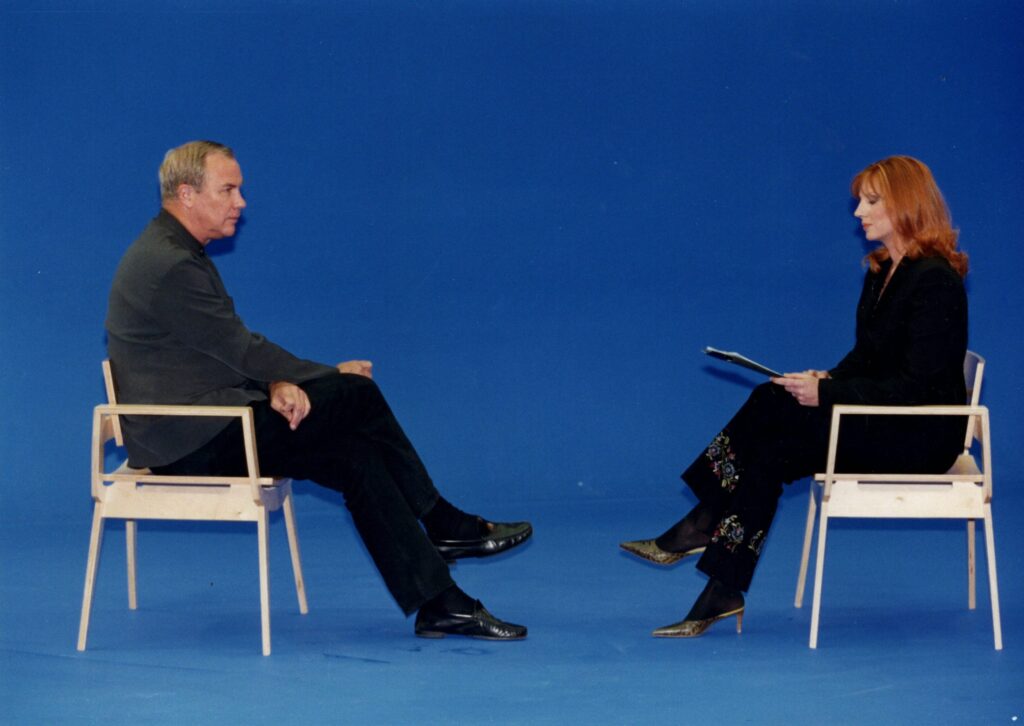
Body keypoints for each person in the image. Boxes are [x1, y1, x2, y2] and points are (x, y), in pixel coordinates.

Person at [106, 140, 532, 640]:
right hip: (191, 440)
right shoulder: (171, 265)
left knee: (356, 459)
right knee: (357, 394)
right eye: (229, 190)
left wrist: (280, 382)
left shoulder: (171, 251)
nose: (241, 202)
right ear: (187, 194)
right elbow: (241, 350)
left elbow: (216, 350)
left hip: (199, 425)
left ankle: (442, 605)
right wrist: (328, 375)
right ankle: (442, 522)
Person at [620, 156, 969, 637]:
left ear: (906, 204)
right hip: (885, 420)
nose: (858, 213)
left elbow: (916, 389)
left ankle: (702, 523)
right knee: (771, 430)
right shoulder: (883, 271)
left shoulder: (935, 281)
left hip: (919, 436)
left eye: (871, 202)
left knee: (772, 404)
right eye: (860, 202)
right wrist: (828, 376)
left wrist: (827, 392)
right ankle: (723, 588)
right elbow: (868, 357)